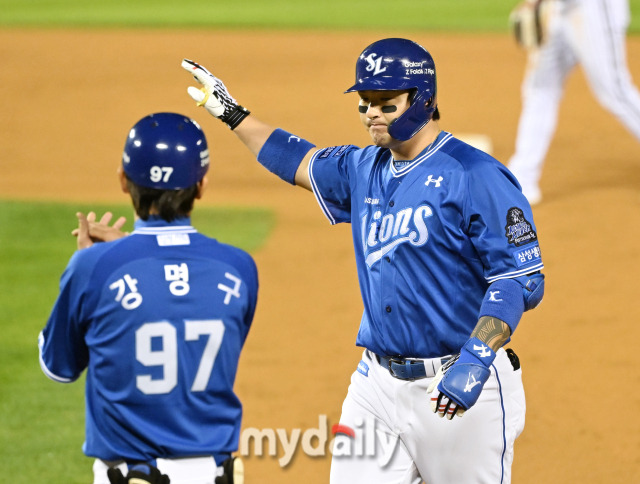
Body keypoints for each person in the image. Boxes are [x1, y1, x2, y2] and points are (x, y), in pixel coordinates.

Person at [181, 37, 545, 484]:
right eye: (365, 103)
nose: (371, 112)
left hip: (459, 386)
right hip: (376, 385)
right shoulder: (362, 169)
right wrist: (231, 113)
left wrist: (476, 356)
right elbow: (295, 158)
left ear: (423, 99)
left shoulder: (475, 175)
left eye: (385, 103)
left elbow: (520, 279)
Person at [38, 112, 257, 484]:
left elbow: (58, 368)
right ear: (201, 184)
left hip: (133, 474)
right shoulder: (239, 268)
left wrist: (95, 263)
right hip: (216, 473)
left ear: (124, 181)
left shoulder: (92, 268)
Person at [508, 0, 640, 204]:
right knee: (540, 87)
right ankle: (522, 178)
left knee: (616, 92)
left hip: (594, 8)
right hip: (558, 8)